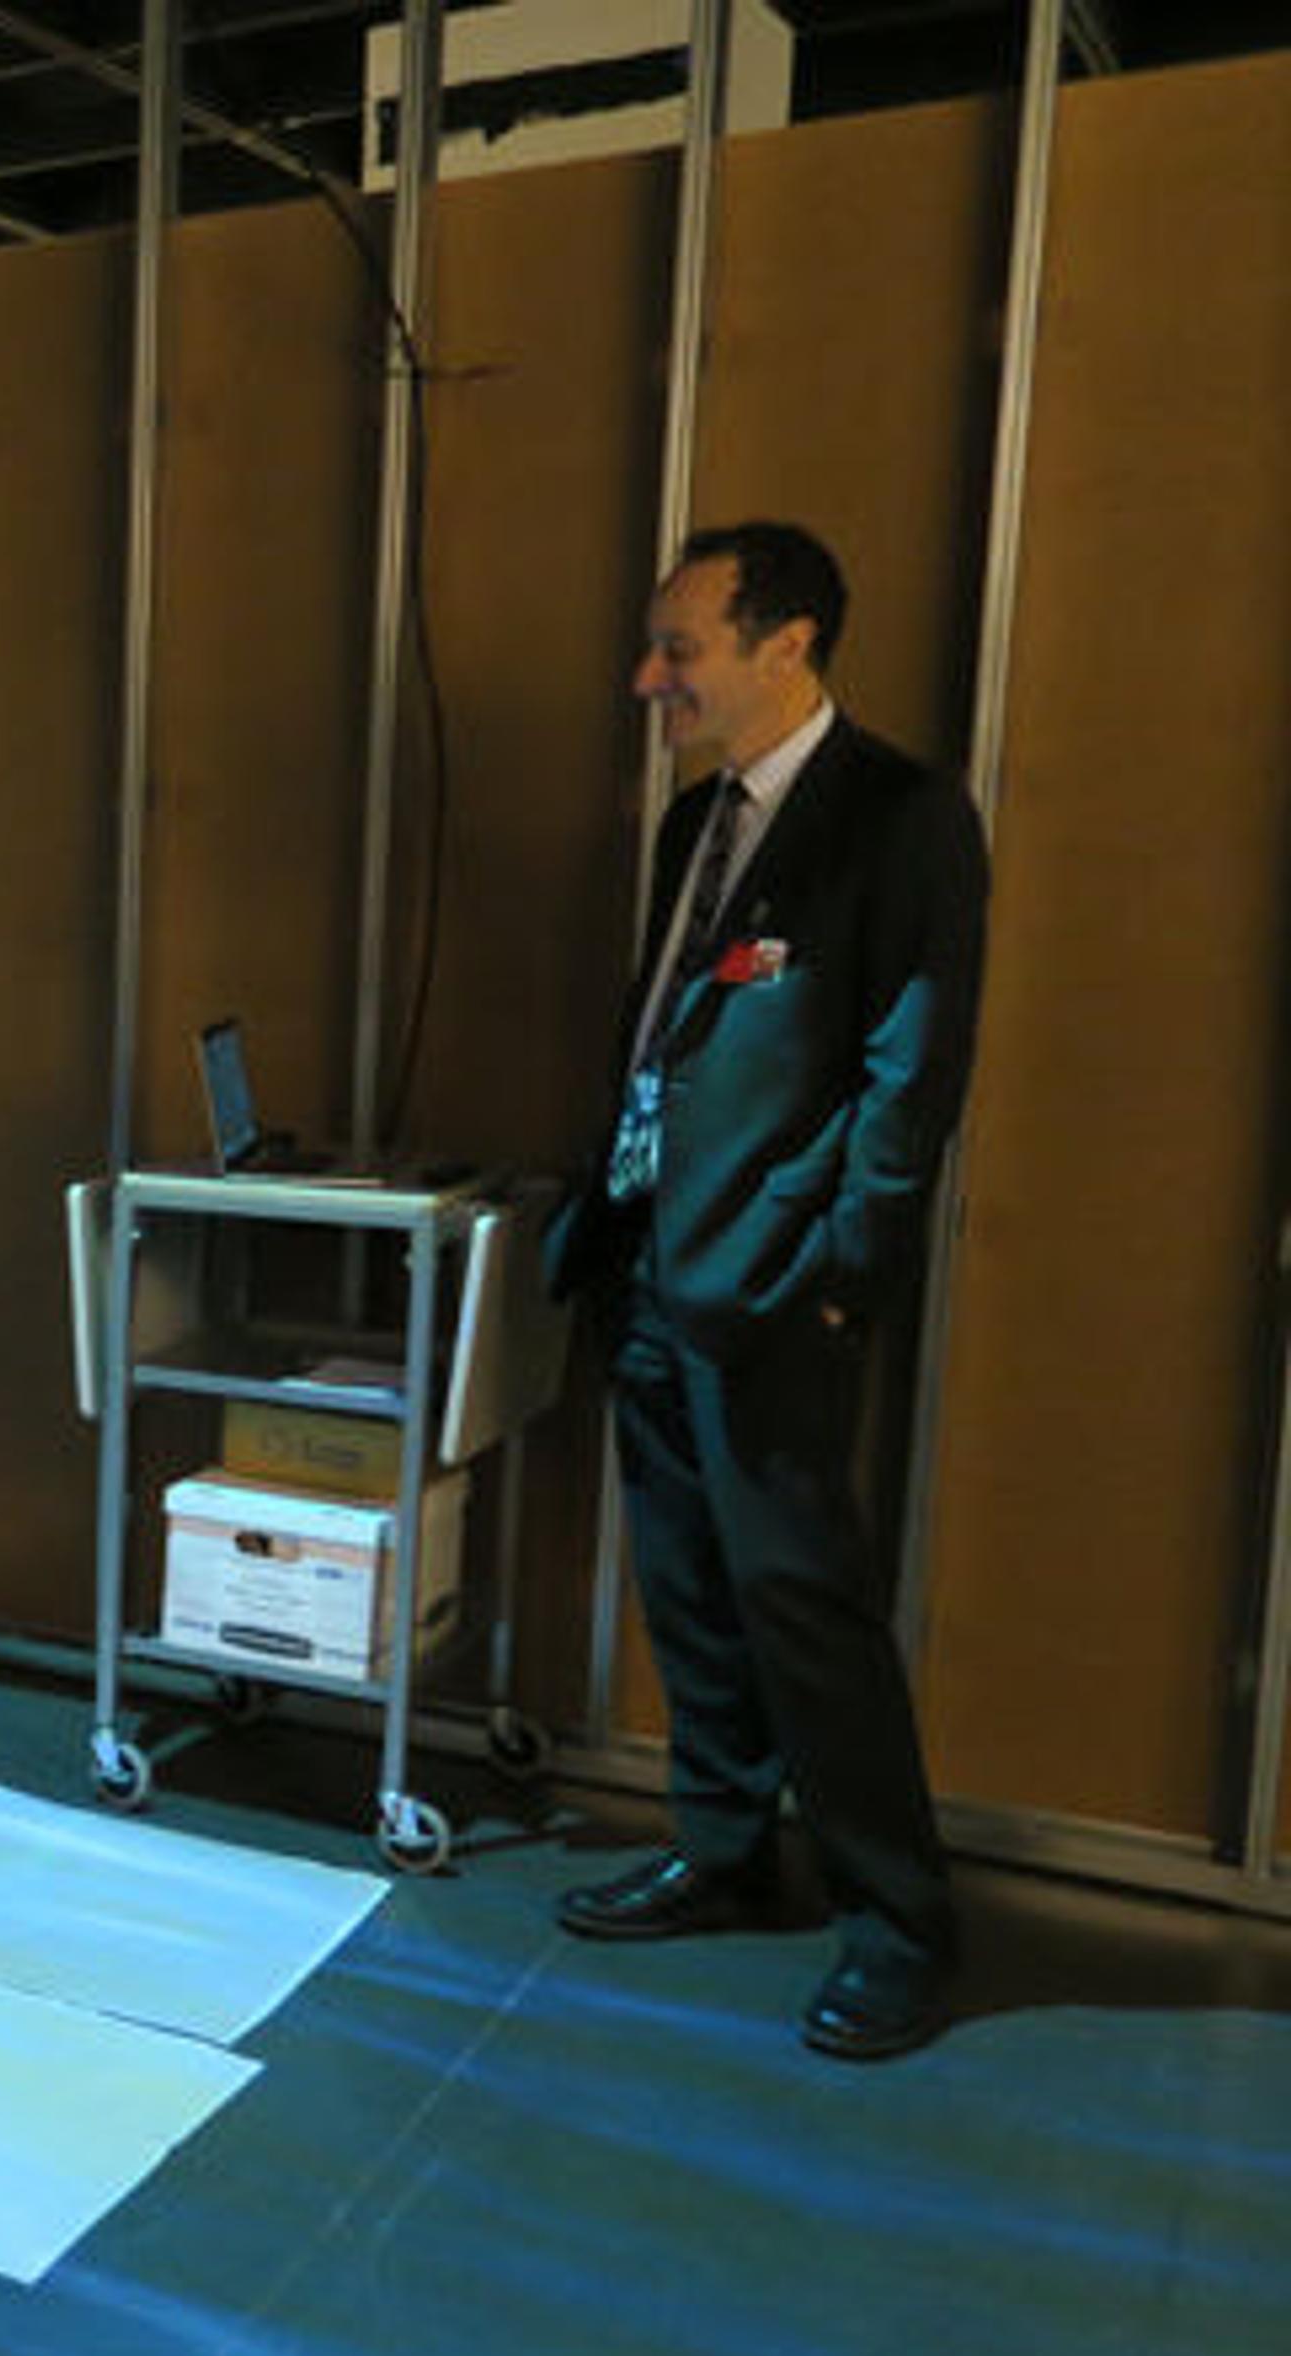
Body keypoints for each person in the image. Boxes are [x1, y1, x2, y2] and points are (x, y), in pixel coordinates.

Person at [546, 521, 990, 2063]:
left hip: (776, 1286)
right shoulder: (696, 827)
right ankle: (725, 1853)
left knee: (808, 1607)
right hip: (652, 1265)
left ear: (786, 642)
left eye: (681, 648)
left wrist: (838, 1277)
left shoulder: (903, 821)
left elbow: (910, 1078)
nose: (648, 676)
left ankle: (899, 1927)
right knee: (690, 1587)